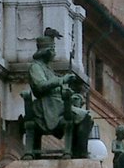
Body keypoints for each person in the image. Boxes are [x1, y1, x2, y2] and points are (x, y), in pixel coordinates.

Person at [27, 28, 93, 158]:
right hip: (47, 106)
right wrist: (62, 80)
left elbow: (57, 89)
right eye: (52, 49)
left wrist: (69, 91)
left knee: (86, 118)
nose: (54, 52)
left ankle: (77, 152)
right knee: (85, 117)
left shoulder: (48, 69)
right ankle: (81, 154)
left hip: (57, 104)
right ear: (46, 52)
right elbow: (40, 86)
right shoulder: (35, 67)